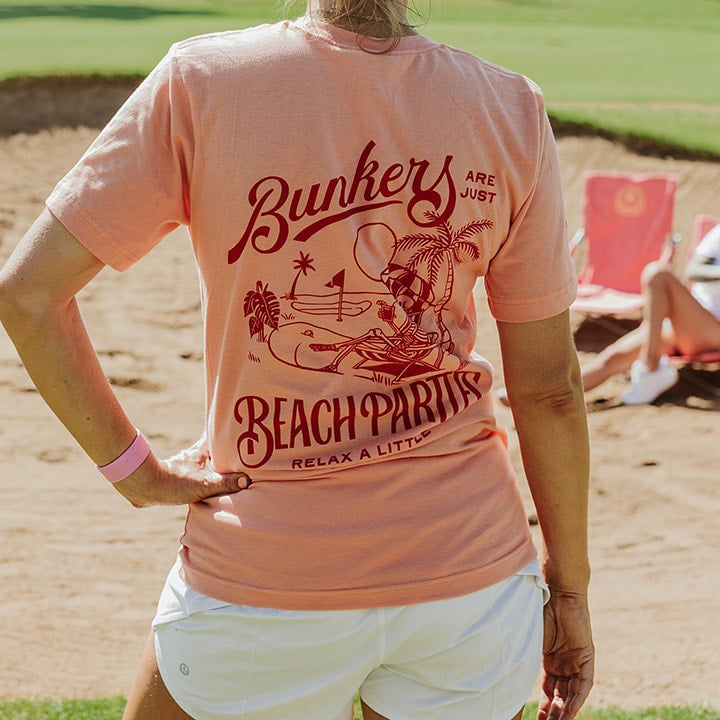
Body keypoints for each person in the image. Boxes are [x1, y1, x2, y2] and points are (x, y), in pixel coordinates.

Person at [0, 1, 593, 719]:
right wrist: (568, 591)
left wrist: (135, 472)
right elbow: (550, 389)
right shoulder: (510, 105)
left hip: (263, 578)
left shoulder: (203, 79)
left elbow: (28, 295)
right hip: (471, 586)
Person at [580, 222, 720, 404]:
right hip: (684, 323)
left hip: (712, 331)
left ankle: (650, 366)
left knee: (656, 274)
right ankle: (548, 398)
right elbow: (694, 270)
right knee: (612, 359)